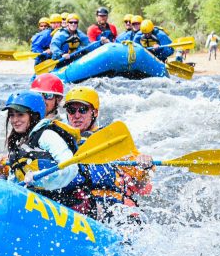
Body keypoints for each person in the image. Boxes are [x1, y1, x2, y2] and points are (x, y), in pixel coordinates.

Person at [62, 86, 153, 221]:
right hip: (77, 204)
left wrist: (144, 167)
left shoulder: (111, 141)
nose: (76, 115)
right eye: (71, 110)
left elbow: (141, 186)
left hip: (113, 206)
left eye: (83, 110)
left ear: (95, 113)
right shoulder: (60, 140)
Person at [0, 92, 86, 209]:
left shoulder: (47, 135)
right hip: (38, 199)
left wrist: (41, 176)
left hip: (66, 201)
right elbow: (15, 181)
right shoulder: (19, 141)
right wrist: (1, 171)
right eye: (12, 115)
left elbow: (71, 167)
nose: (14, 120)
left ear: (34, 115)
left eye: (20, 115)